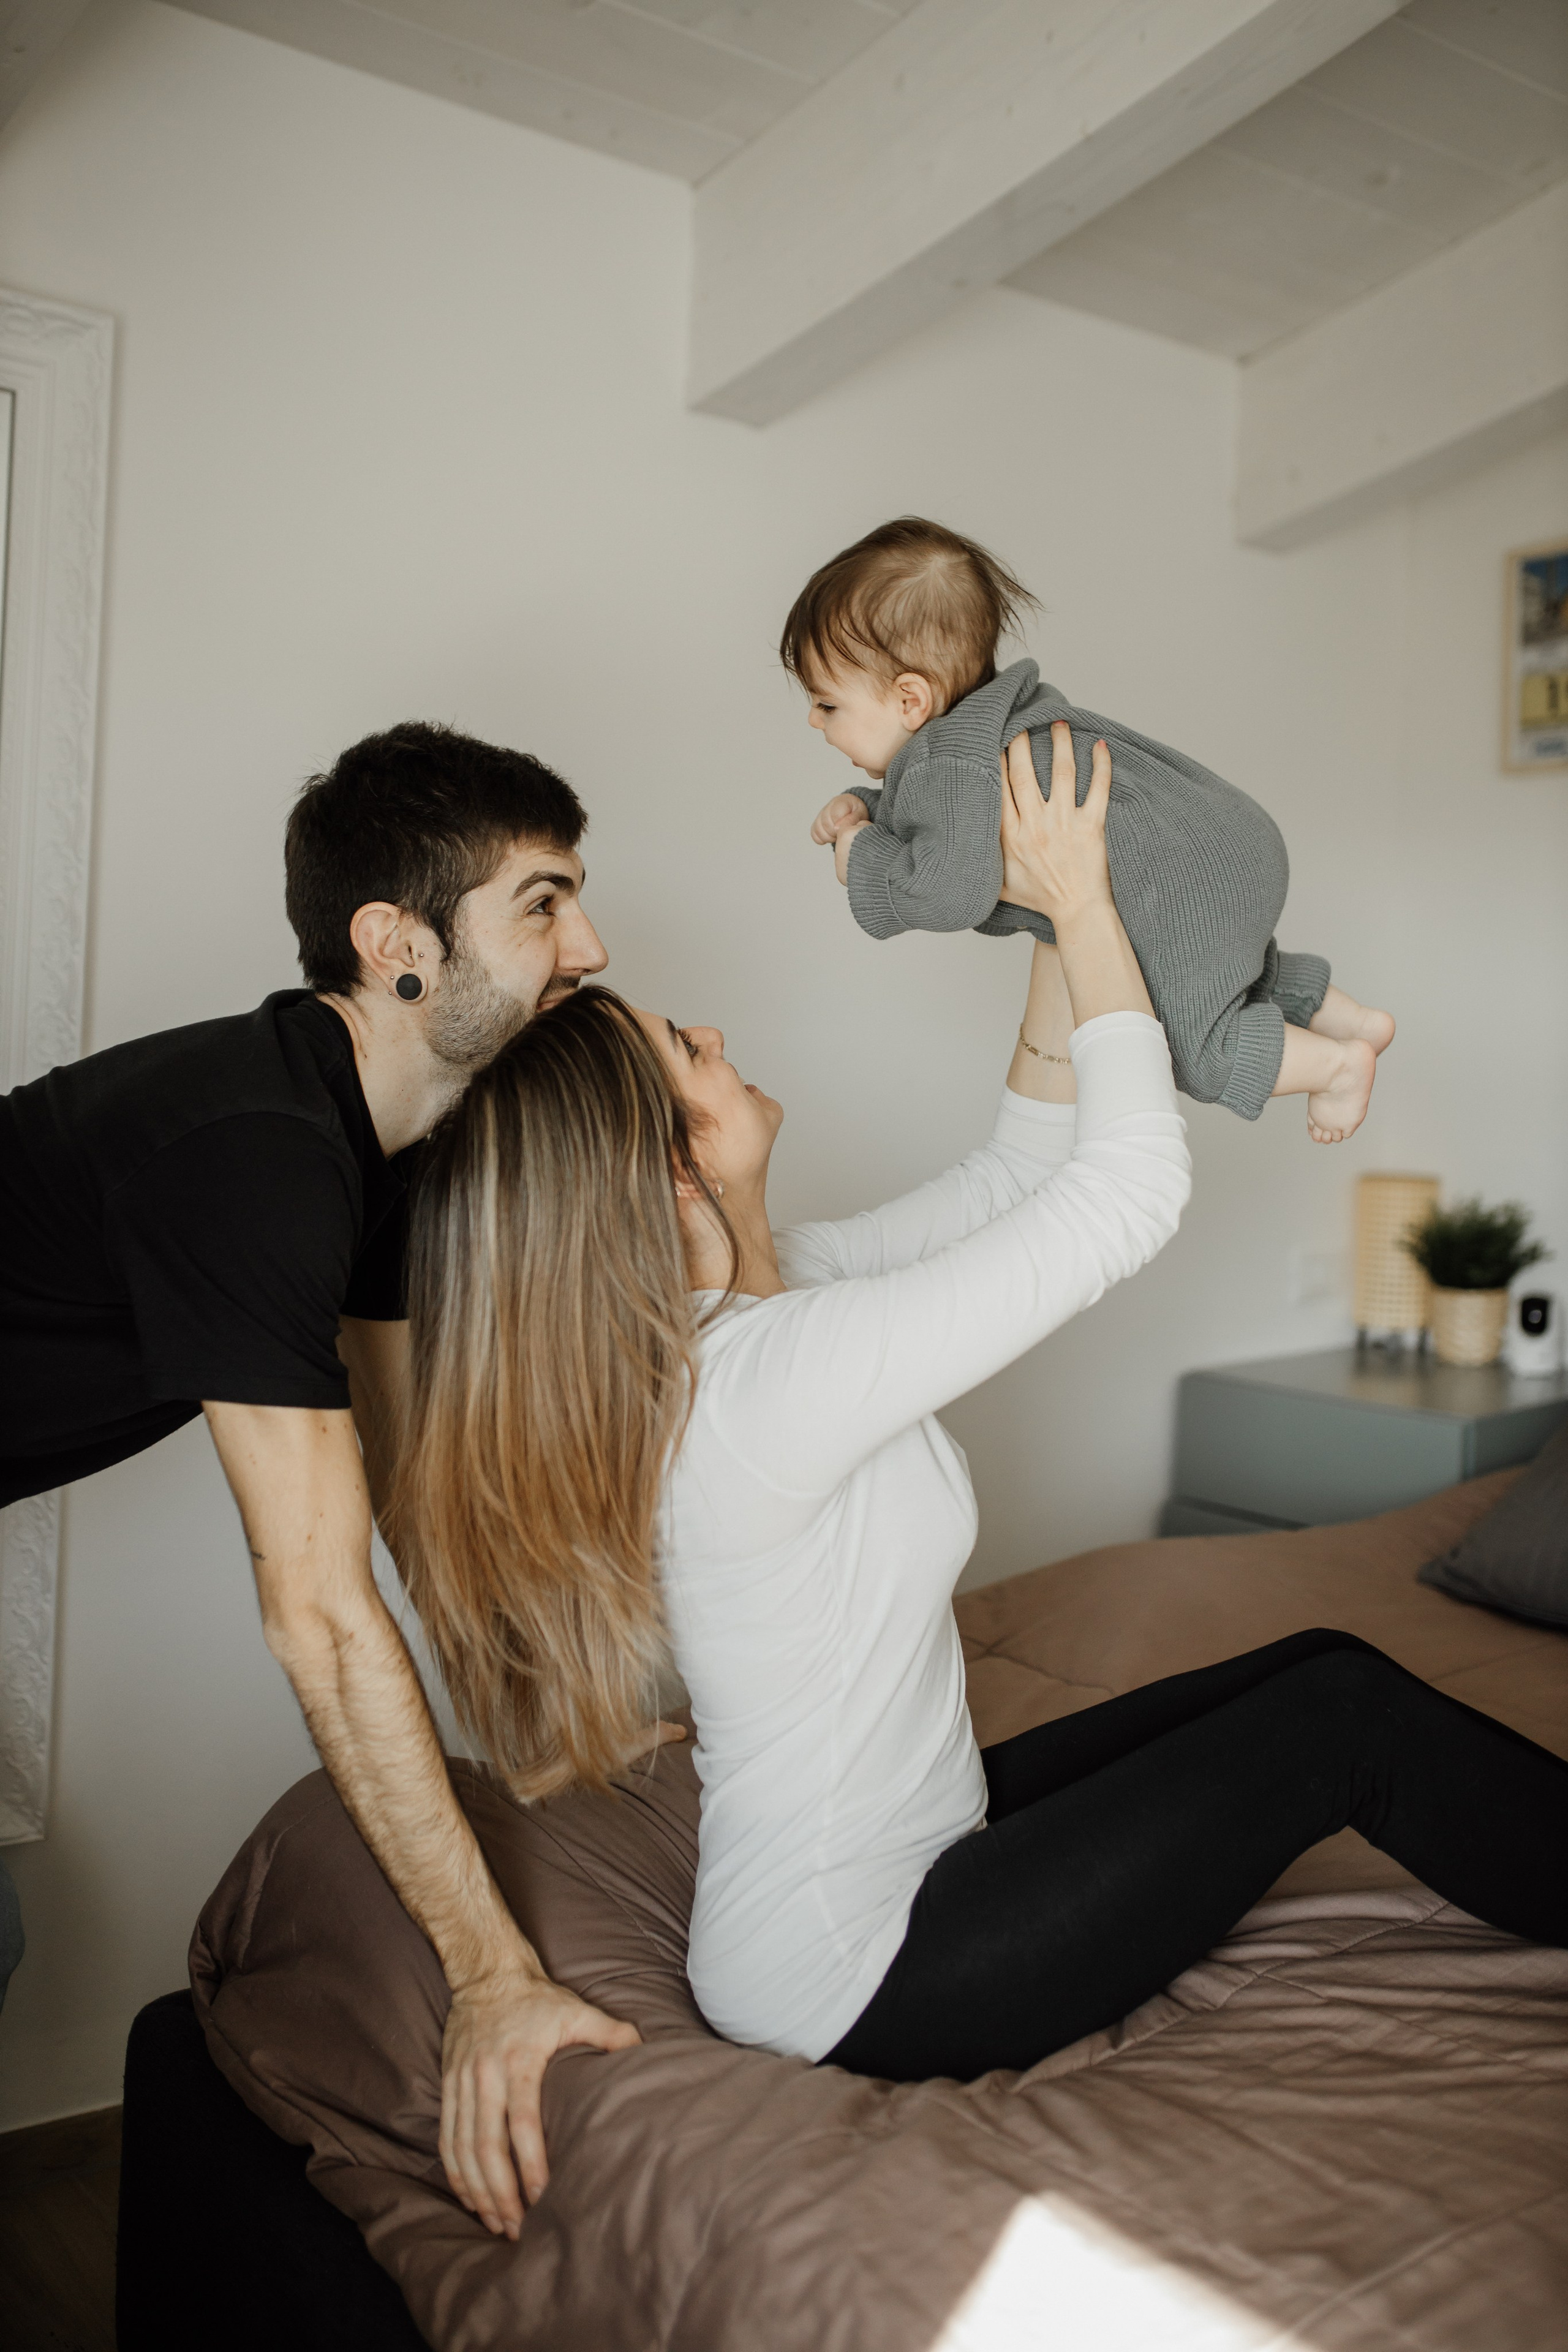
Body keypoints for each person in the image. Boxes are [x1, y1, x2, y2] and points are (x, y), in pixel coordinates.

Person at [395, 722, 1568, 2089]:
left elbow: (1017, 1169)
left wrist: (1050, 909)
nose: (714, 1034)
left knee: (1318, 1665)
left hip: (916, 1850)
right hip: (866, 1963)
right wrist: (1081, 907)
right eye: (685, 1051)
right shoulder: (764, 1381)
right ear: (672, 1166)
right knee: (1341, 1726)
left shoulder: (774, 1307)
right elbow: (1122, 1197)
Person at [0, 720, 650, 2240]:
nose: (590, 943)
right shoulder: (260, 1148)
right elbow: (318, 1606)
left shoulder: (370, 1154)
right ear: (395, 943)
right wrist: (492, 1973)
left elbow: (410, 1490)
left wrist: (534, 1730)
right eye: (543, 901)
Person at [790, 516, 1395, 1145]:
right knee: (1208, 971)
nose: (813, 719)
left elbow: (947, 892)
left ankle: (1335, 1066)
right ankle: (1348, 1016)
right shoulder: (988, 729)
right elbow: (943, 820)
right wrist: (864, 808)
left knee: (1190, 1044)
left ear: (911, 701)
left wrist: (860, 854)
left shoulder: (947, 763)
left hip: (1180, 878)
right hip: (1220, 845)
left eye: (827, 703)